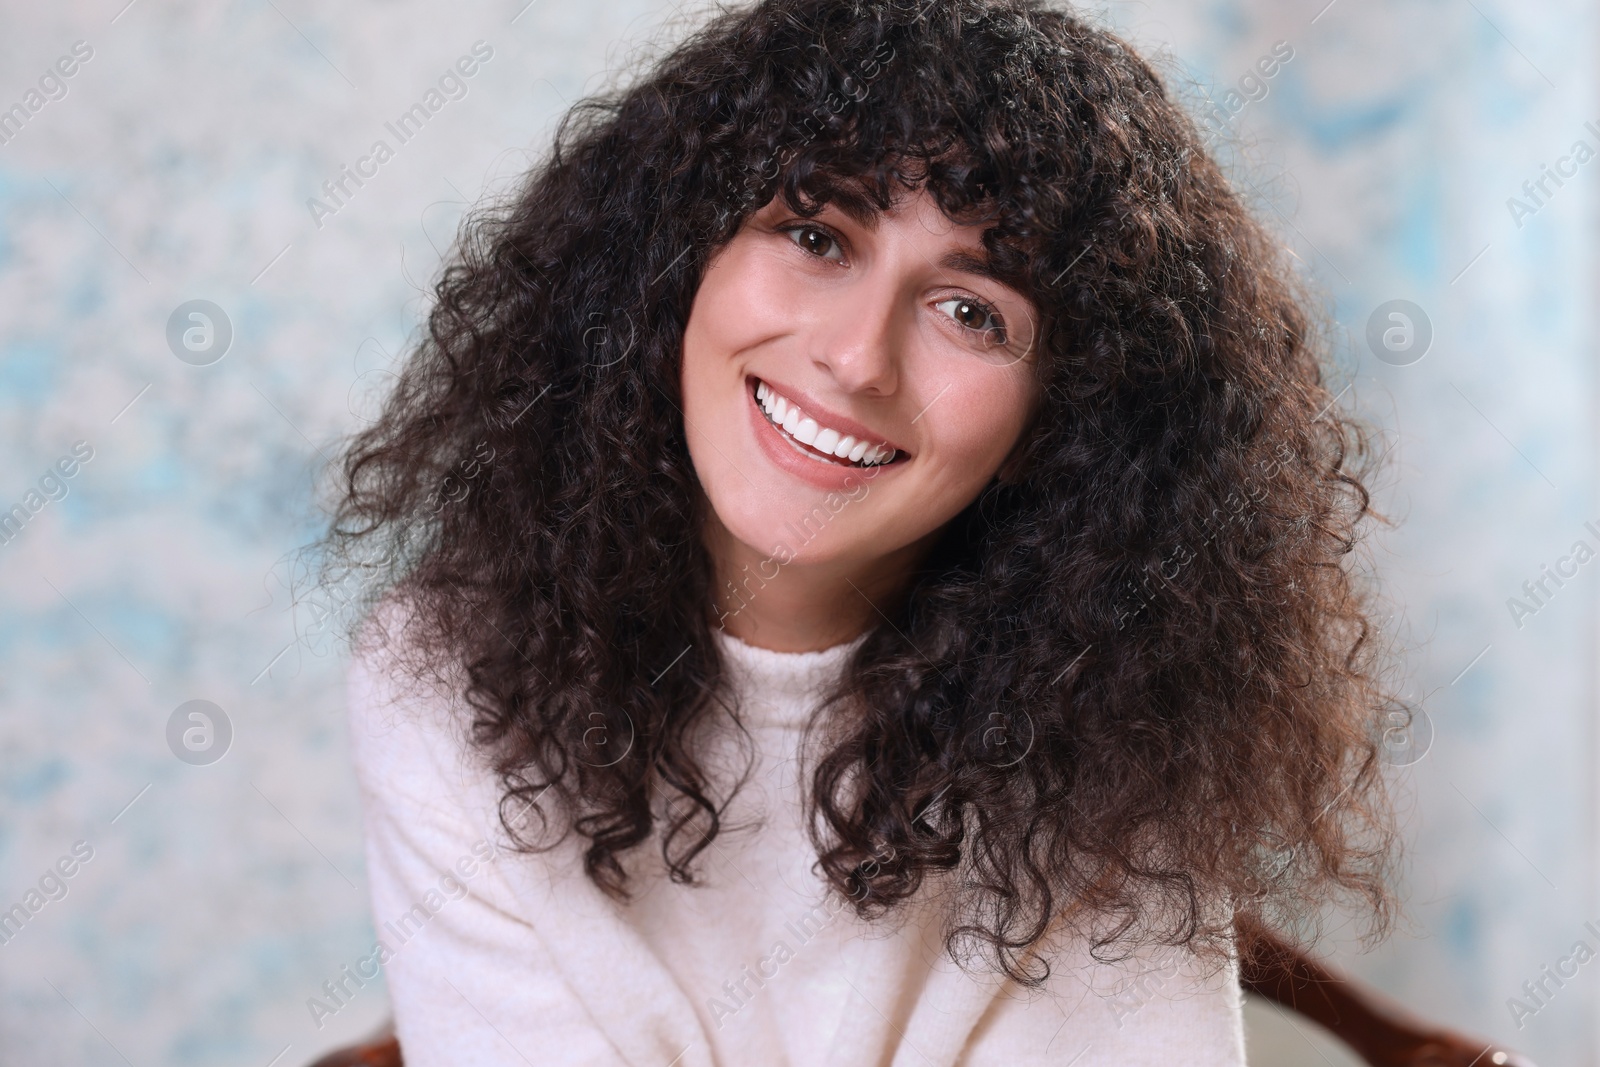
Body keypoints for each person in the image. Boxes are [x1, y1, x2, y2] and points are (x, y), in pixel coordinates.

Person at [318, 0, 1400, 1062]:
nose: (857, 358)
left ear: (1055, 426)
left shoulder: (1114, 722)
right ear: (676, 264)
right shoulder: (444, 684)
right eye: (813, 233)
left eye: (972, 311)